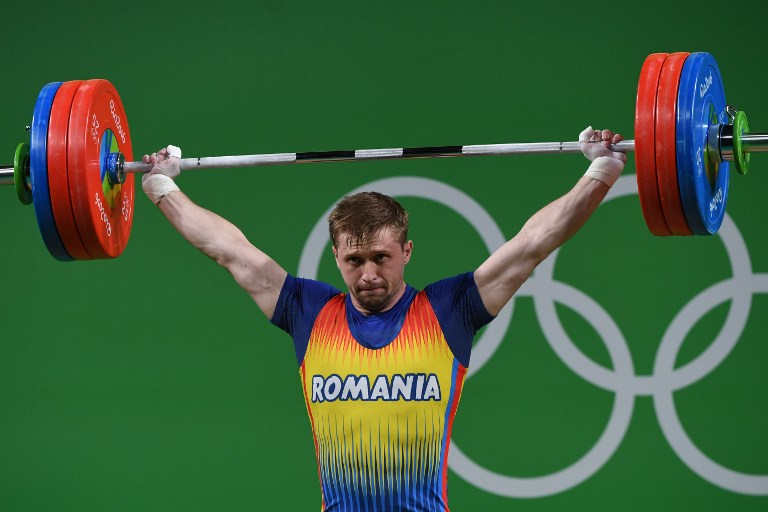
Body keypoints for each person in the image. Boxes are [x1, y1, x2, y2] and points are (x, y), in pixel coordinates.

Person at [141, 126, 626, 511]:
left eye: (381, 257)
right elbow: (228, 250)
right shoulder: (307, 312)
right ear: (336, 257)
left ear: (407, 252)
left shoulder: (448, 309)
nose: (369, 274)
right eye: (354, 261)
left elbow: (535, 243)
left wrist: (601, 171)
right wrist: (161, 184)